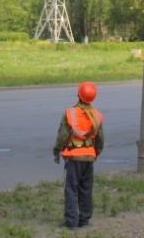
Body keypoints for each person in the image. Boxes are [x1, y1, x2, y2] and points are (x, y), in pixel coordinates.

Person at [53, 80, 104, 229]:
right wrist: (95, 153)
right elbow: (100, 139)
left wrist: (57, 150)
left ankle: (71, 222)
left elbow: (62, 135)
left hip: (74, 157)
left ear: (78, 94)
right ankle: (84, 219)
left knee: (71, 189)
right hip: (89, 157)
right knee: (86, 188)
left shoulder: (70, 113)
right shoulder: (97, 115)